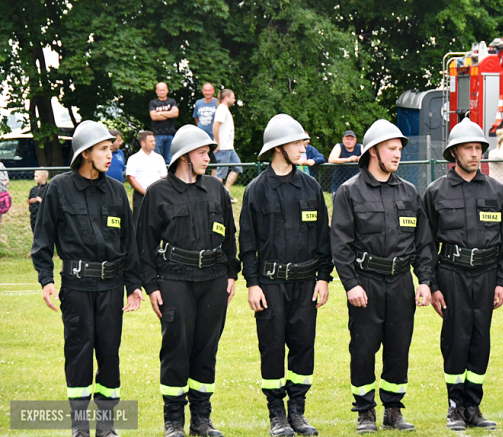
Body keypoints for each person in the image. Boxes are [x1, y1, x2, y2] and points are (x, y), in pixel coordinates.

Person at [30, 120, 143, 437]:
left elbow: (129, 244)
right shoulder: (59, 189)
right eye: (104, 149)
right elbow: (43, 241)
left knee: (109, 353)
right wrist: (46, 279)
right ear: (85, 152)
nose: (110, 155)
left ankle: (106, 427)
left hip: (111, 287)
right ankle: (80, 427)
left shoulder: (117, 191)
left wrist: (134, 286)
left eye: (110, 149)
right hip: (77, 287)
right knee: (78, 353)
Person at [330, 119, 435, 433]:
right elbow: (340, 243)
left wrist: (425, 281)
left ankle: (393, 409)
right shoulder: (349, 192)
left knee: (398, 347)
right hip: (366, 283)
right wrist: (351, 284)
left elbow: (423, 242)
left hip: (401, 283)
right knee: (363, 348)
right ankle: (364, 411)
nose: (398, 154)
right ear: (373, 150)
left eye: (400, 149)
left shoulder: (409, 192)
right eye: (391, 148)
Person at [136, 125, 240, 437]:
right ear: (184, 156)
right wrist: (152, 286)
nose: (208, 157)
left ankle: (201, 419)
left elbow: (230, 235)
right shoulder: (158, 192)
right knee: (176, 348)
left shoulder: (215, 188)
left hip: (213, 279)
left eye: (208, 152)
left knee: (206, 350)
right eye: (202, 152)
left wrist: (232, 273)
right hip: (174, 280)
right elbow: (144, 243)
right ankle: (173, 422)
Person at [240, 114, 333, 436]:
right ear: (278, 147)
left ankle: (297, 411)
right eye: (297, 142)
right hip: (270, 284)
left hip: (306, 284)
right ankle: (276, 414)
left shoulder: (310, 186)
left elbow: (324, 236)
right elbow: (247, 244)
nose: (303, 146)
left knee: (303, 345)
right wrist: (252, 284)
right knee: (272, 348)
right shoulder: (256, 190)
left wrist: (324, 278)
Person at [423, 118, 503, 431]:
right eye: (468, 148)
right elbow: (426, 243)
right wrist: (432, 285)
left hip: (487, 274)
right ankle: (454, 406)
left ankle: (473, 406)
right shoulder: (436, 192)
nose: (474, 153)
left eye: (478, 148)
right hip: (451, 274)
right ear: (454, 152)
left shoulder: (496, 190)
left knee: (480, 340)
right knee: (455, 339)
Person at [126, 131, 168, 225]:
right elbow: (131, 178)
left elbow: (164, 176)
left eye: (154, 140)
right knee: (139, 221)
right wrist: (144, 192)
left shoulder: (159, 158)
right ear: (143, 143)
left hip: (158, 196)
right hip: (140, 196)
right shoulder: (134, 158)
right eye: (151, 141)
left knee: (157, 221)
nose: (154, 143)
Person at [212, 89, 242, 202]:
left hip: (229, 147)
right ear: (226, 98)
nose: (234, 100)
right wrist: (217, 143)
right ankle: (214, 195)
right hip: (223, 147)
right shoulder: (222, 109)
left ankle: (226, 192)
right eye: (233, 97)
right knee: (221, 172)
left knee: (237, 167)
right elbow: (215, 125)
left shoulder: (225, 109)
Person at [149, 82, 179, 164]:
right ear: (156, 91)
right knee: (156, 159)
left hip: (170, 134)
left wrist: (160, 113)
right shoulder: (153, 103)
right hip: (157, 135)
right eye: (160, 90)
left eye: (163, 90)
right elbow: (154, 116)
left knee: (170, 160)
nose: (162, 92)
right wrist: (169, 113)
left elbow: (175, 113)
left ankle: (169, 176)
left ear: (167, 90)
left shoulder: (172, 101)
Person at [193, 82, 220, 175]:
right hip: (200, 137)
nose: (207, 92)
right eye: (205, 90)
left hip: (213, 137)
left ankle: (214, 181)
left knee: (214, 161)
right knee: (200, 159)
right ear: (202, 91)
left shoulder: (217, 103)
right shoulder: (198, 103)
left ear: (213, 91)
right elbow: (196, 118)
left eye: (209, 90)